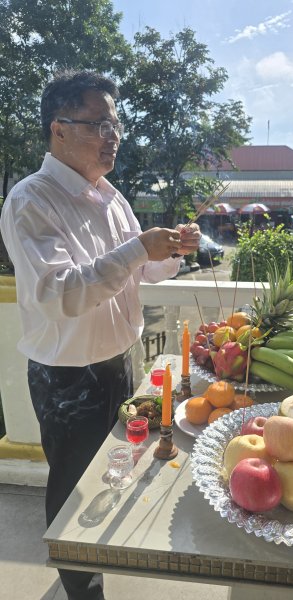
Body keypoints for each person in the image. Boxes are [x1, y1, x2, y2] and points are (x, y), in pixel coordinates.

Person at [0, 70, 200, 600]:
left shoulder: (111, 197)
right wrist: (138, 248)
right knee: (72, 486)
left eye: (115, 124)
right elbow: (60, 294)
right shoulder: (31, 199)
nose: (112, 136)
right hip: (68, 375)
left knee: (116, 467)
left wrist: (171, 250)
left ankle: (99, 560)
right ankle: (81, 587)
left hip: (120, 360)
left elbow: (142, 271)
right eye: (97, 124)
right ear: (58, 128)